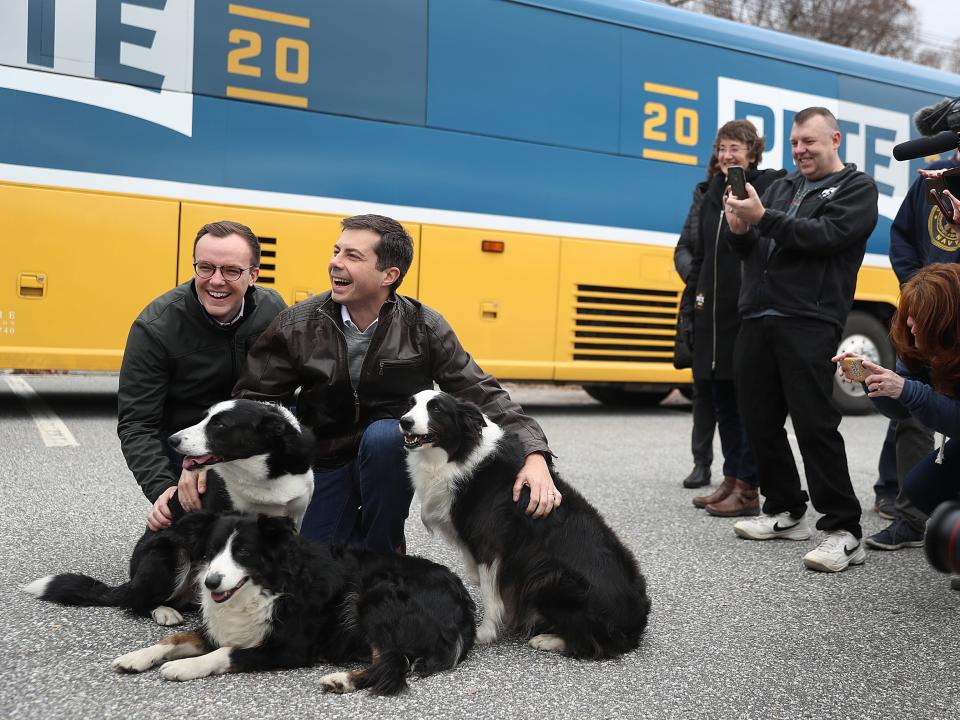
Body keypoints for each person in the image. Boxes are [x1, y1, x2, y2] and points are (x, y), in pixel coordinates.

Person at [232, 214, 560, 555]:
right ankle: (353, 541)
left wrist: (535, 453)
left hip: (390, 454)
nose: (335, 263)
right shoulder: (297, 323)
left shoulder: (424, 326)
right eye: (336, 250)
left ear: (389, 275)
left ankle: (385, 552)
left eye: (352, 256)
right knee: (319, 562)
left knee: (385, 438)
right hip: (327, 458)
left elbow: (482, 393)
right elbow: (254, 398)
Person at [722, 106, 879, 573]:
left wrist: (762, 217)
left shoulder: (857, 188)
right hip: (757, 315)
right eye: (794, 143)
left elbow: (824, 236)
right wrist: (739, 232)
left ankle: (844, 529)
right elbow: (756, 248)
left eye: (808, 142)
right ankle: (787, 510)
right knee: (758, 420)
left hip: (809, 319)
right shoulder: (782, 186)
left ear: (835, 139)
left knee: (814, 425)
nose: (800, 150)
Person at [118, 221, 287, 531]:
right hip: (182, 445)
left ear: (253, 276)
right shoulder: (155, 328)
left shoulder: (272, 309)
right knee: (187, 545)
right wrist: (164, 489)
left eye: (231, 271)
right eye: (205, 267)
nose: (216, 281)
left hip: (243, 436)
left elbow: (281, 389)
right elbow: (137, 423)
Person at [676, 120, 785, 517]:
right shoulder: (710, 196)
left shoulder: (766, 187)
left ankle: (748, 487)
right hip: (711, 313)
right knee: (720, 400)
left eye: (735, 148)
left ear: (753, 151)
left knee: (745, 404)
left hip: (743, 311)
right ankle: (731, 477)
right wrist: (694, 299)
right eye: (722, 148)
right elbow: (699, 253)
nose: (726, 156)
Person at [862, 151, 960, 549]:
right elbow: (901, 235)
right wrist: (883, 387)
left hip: (950, 314)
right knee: (921, 479)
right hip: (931, 303)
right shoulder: (933, 179)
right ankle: (910, 519)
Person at [837, 260, 960, 534]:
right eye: (909, 313)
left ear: (945, 319)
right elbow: (901, 411)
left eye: (918, 316)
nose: (909, 323)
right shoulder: (914, 340)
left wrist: (907, 390)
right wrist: (872, 381)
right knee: (920, 488)